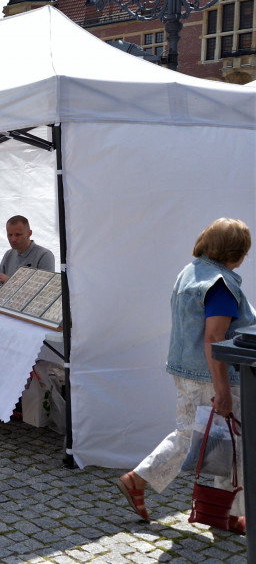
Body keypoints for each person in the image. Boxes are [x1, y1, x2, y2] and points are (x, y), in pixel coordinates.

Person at [117, 218, 254, 532]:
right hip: (213, 375)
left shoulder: (190, 272)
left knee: (193, 436)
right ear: (235, 251)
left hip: (188, 372)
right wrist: (221, 389)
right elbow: (214, 339)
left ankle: (141, 481)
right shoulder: (219, 283)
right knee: (233, 441)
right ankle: (226, 514)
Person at [0, 215, 55, 285]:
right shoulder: (8, 254)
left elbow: (44, 288)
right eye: (10, 235)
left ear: (29, 233)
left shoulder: (44, 255)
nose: (13, 239)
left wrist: (9, 280)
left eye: (18, 235)